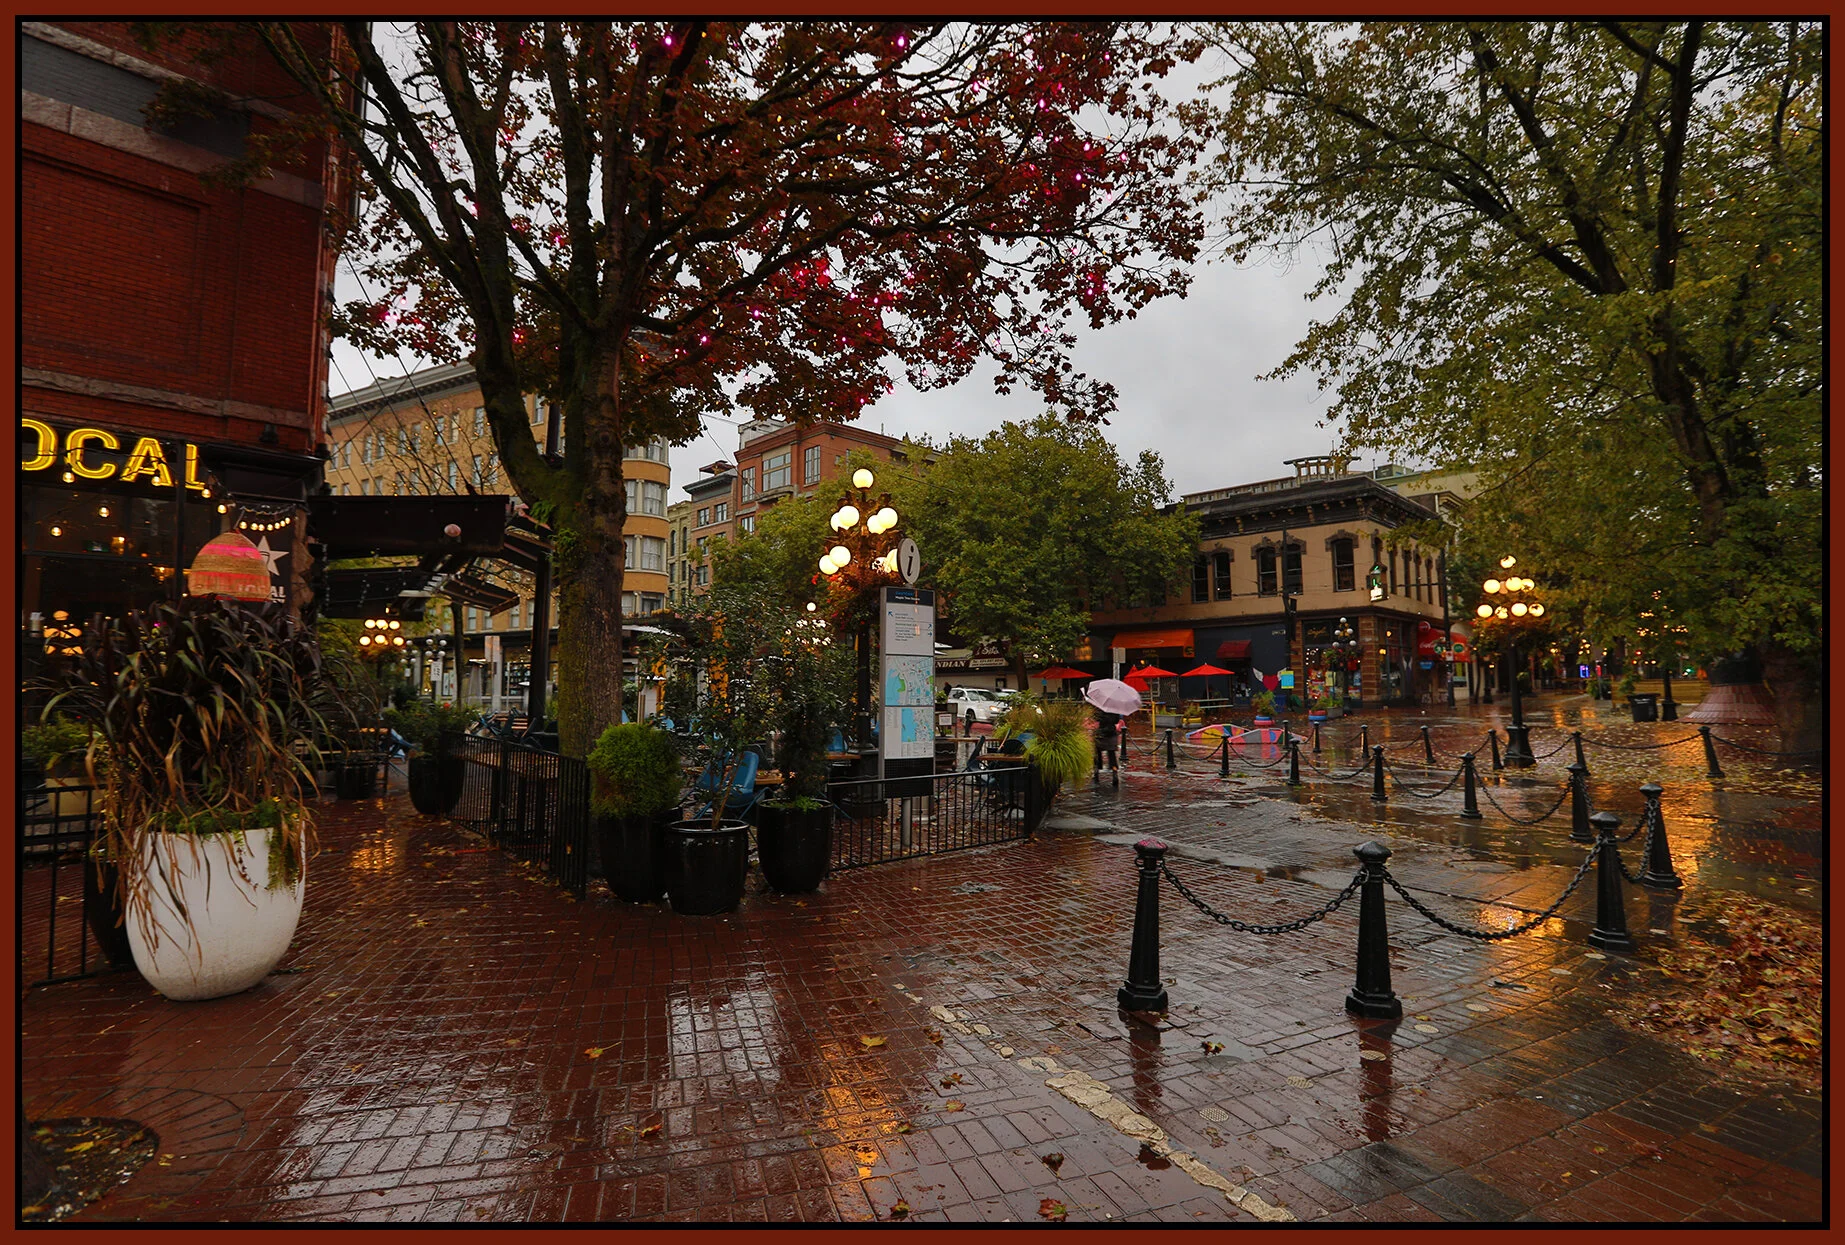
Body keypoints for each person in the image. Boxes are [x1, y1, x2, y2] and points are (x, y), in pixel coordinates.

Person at [1092, 704, 1121, 786]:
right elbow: (1116, 720)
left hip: (1101, 733)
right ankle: (1114, 770)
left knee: (1097, 751)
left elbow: (1096, 718)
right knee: (1111, 753)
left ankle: (1097, 768)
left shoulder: (1100, 707)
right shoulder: (1114, 708)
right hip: (1111, 733)